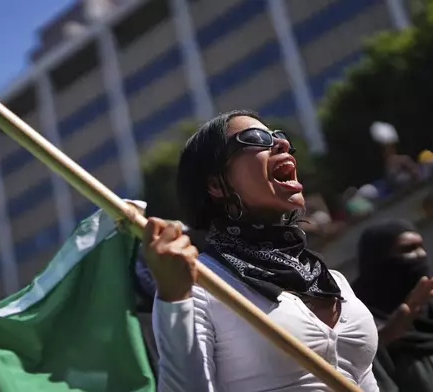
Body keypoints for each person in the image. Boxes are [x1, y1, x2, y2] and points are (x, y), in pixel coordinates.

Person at [141, 110, 380, 391]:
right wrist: (174, 299)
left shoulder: (331, 280)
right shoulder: (198, 285)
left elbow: (365, 379)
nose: (281, 145)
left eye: (281, 137)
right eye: (255, 138)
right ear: (216, 185)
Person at [352, 220, 433, 392]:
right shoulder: (360, 326)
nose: (420, 254)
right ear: (378, 260)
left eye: (421, 246)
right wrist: (387, 337)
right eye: (408, 249)